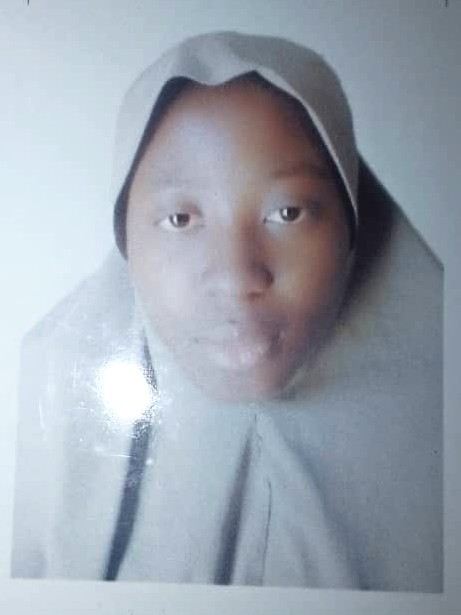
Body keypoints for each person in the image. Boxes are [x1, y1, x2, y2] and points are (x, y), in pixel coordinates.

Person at [11, 31, 442, 591]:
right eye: (181, 220)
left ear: (354, 222)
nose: (237, 278)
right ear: (125, 239)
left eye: (288, 212)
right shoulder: (42, 425)